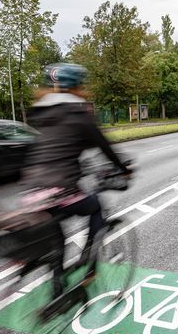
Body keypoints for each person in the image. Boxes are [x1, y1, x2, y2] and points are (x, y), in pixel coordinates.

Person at [21, 62, 131, 307]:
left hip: (32, 193)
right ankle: (88, 265)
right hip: (60, 190)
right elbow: (105, 147)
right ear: (77, 87)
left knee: (55, 232)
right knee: (95, 206)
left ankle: (57, 287)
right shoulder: (79, 115)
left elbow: (55, 150)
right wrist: (124, 169)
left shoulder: (39, 114)